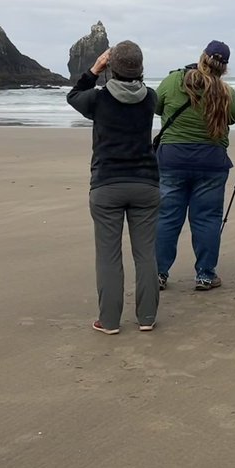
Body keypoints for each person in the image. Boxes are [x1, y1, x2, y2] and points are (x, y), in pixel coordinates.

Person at [67, 41, 161, 334]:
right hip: (145, 182)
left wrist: (94, 69)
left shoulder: (98, 99)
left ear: (112, 67)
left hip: (107, 183)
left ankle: (109, 321)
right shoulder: (150, 98)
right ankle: (147, 317)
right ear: (141, 68)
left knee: (109, 256)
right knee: (145, 254)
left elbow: (73, 96)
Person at [155, 40, 235, 292]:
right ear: (224, 67)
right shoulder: (226, 91)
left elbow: (156, 106)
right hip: (211, 161)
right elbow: (234, 117)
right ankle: (205, 274)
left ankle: (158, 273)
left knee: (167, 217)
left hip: (173, 158)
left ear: (202, 56)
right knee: (207, 219)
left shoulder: (173, 81)